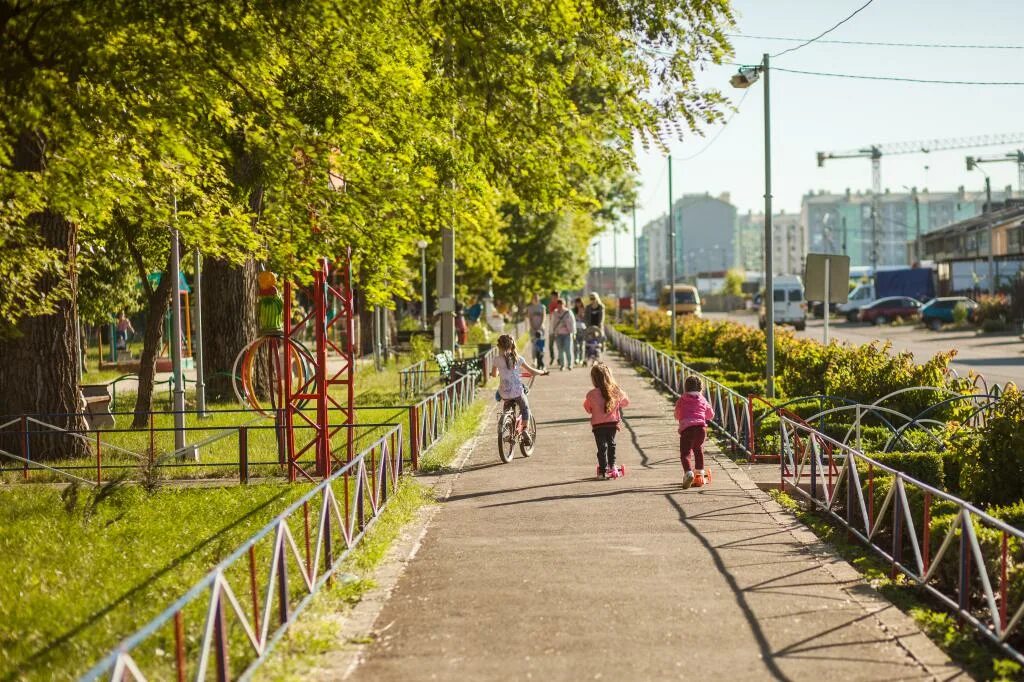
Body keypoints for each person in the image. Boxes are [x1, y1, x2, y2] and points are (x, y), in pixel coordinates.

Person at [491, 333, 548, 445]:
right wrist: (542, 372)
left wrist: (499, 371)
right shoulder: (518, 359)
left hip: (504, 393)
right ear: (512, 346)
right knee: (525, 407)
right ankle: (525, 430)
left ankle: (507, 427)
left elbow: (494, 374)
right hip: (517, 392)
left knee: (507, 408)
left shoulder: (496, 360)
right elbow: (532, 371)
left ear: (499, 347)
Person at [583, 363, 630, 479]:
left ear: (594, 379)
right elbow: (626, 402)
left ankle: (603, 470)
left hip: (598, 426)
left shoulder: (590, 394)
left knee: (601, 447)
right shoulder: (615, 391)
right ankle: (612, 465)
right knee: (611, 444)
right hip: (612, 424)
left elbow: (588, 409)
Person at [676, 375, 715, 489]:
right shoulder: (703, 399)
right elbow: (710, 414)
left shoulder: (682, 399)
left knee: (685, 453)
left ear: (686, 387)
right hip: (701, 429)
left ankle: (688, 473)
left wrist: (681, 417)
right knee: (698, 449)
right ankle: (699, 473)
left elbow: (677, 413)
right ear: (700, 388)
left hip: (687, 430)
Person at [550, 298, 576, 370]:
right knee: (560, 350)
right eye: (558, 305)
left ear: (564, 304)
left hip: (567, 334)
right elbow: (552, 323)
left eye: (561, 304)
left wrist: (574, 333)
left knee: (568, 349)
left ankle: (570, 364)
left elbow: (573, 322)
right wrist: (552, 332)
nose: (559, 306)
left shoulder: (568, 312)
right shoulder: (555, 313)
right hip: (558, 334)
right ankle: (562, 365)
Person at [546, 290, 561, 366]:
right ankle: (552, 358)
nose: (553, 298)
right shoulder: (551, 304)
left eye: (555, 297)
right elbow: (551, 315)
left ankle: (559, 359)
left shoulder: (561, 304)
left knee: (559, 344)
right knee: (550, 344)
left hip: (559, 328)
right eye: (552, 297)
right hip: (552, 327)